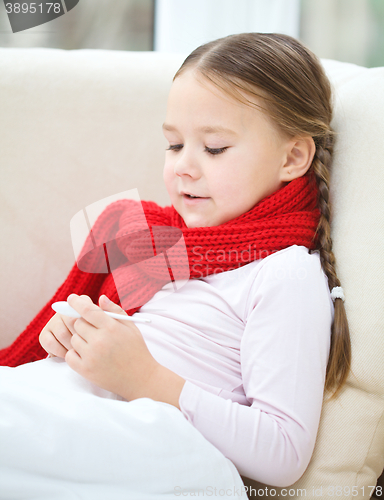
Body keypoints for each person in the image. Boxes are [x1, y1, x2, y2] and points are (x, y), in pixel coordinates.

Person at [0, 33, 351, 490]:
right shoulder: (158, 248)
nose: (183, 165)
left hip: (155, 441)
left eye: (215, 148)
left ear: (293, 157)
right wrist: (74, 341)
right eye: (173, 145)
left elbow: (283, 452)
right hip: (76, 413)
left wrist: (143, 375)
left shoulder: (284, 273)